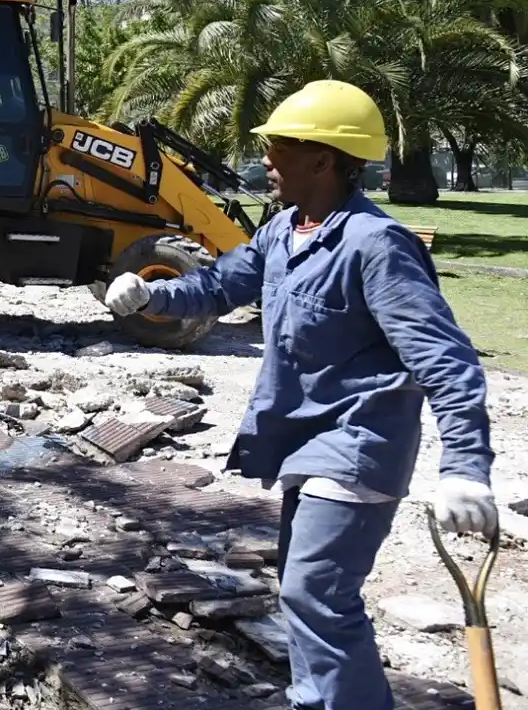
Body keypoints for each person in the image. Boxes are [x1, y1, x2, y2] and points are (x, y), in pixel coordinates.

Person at [104, 80, 496, 710]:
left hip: (359, 442)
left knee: (317, 593)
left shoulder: (376, 245)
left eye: (279, 147)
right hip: (303, 442)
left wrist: (465, 470)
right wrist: (154, 295)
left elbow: (444, 360)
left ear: (322, 159)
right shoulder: (284, 232)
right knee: (301, 589)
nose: (265, 158)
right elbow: (219, 285)